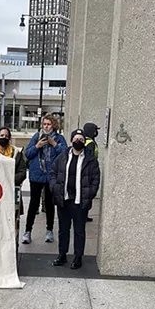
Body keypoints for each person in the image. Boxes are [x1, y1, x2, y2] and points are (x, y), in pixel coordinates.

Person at [49, 129, 100, 269]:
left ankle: (78, 257)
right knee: (63, 230)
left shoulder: (90, 159)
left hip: (80, 201)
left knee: (79, 231)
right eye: (76, 139)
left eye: (81, 140)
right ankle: (62, 255)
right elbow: (52, 173)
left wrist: (90, 193)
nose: (79, 141)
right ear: (71, 140)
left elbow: (95, 179)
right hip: (64, 200)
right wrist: (54, 188)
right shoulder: (62, 156)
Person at [23, 114, 67, 244]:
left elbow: (65, 154)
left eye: (49, 124)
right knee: (33, 203)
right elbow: (28, 154)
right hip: (36, 174)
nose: (47, 127)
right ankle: (28, 231)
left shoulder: (59, 138)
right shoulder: (36, 137)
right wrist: (37, 146)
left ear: (54, 125)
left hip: (51, 175)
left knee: (49, 204)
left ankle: (49, 230)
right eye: (44, 124)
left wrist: (54, 144)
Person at [0, 127, 28, 246]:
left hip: (12, 193)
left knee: (12, 225)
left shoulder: (16, 152)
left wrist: (7, 181)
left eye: (6, 136)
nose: (4, 138)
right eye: (1, 136)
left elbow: (22, 172)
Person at [82, 122, 100, 222]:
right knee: (87, 195)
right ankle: (83, 215)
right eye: (95, 130)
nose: (96, 132)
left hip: (86, 171)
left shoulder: (86, 141)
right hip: (89, 172)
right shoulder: (90, 143)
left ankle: (84, 215)